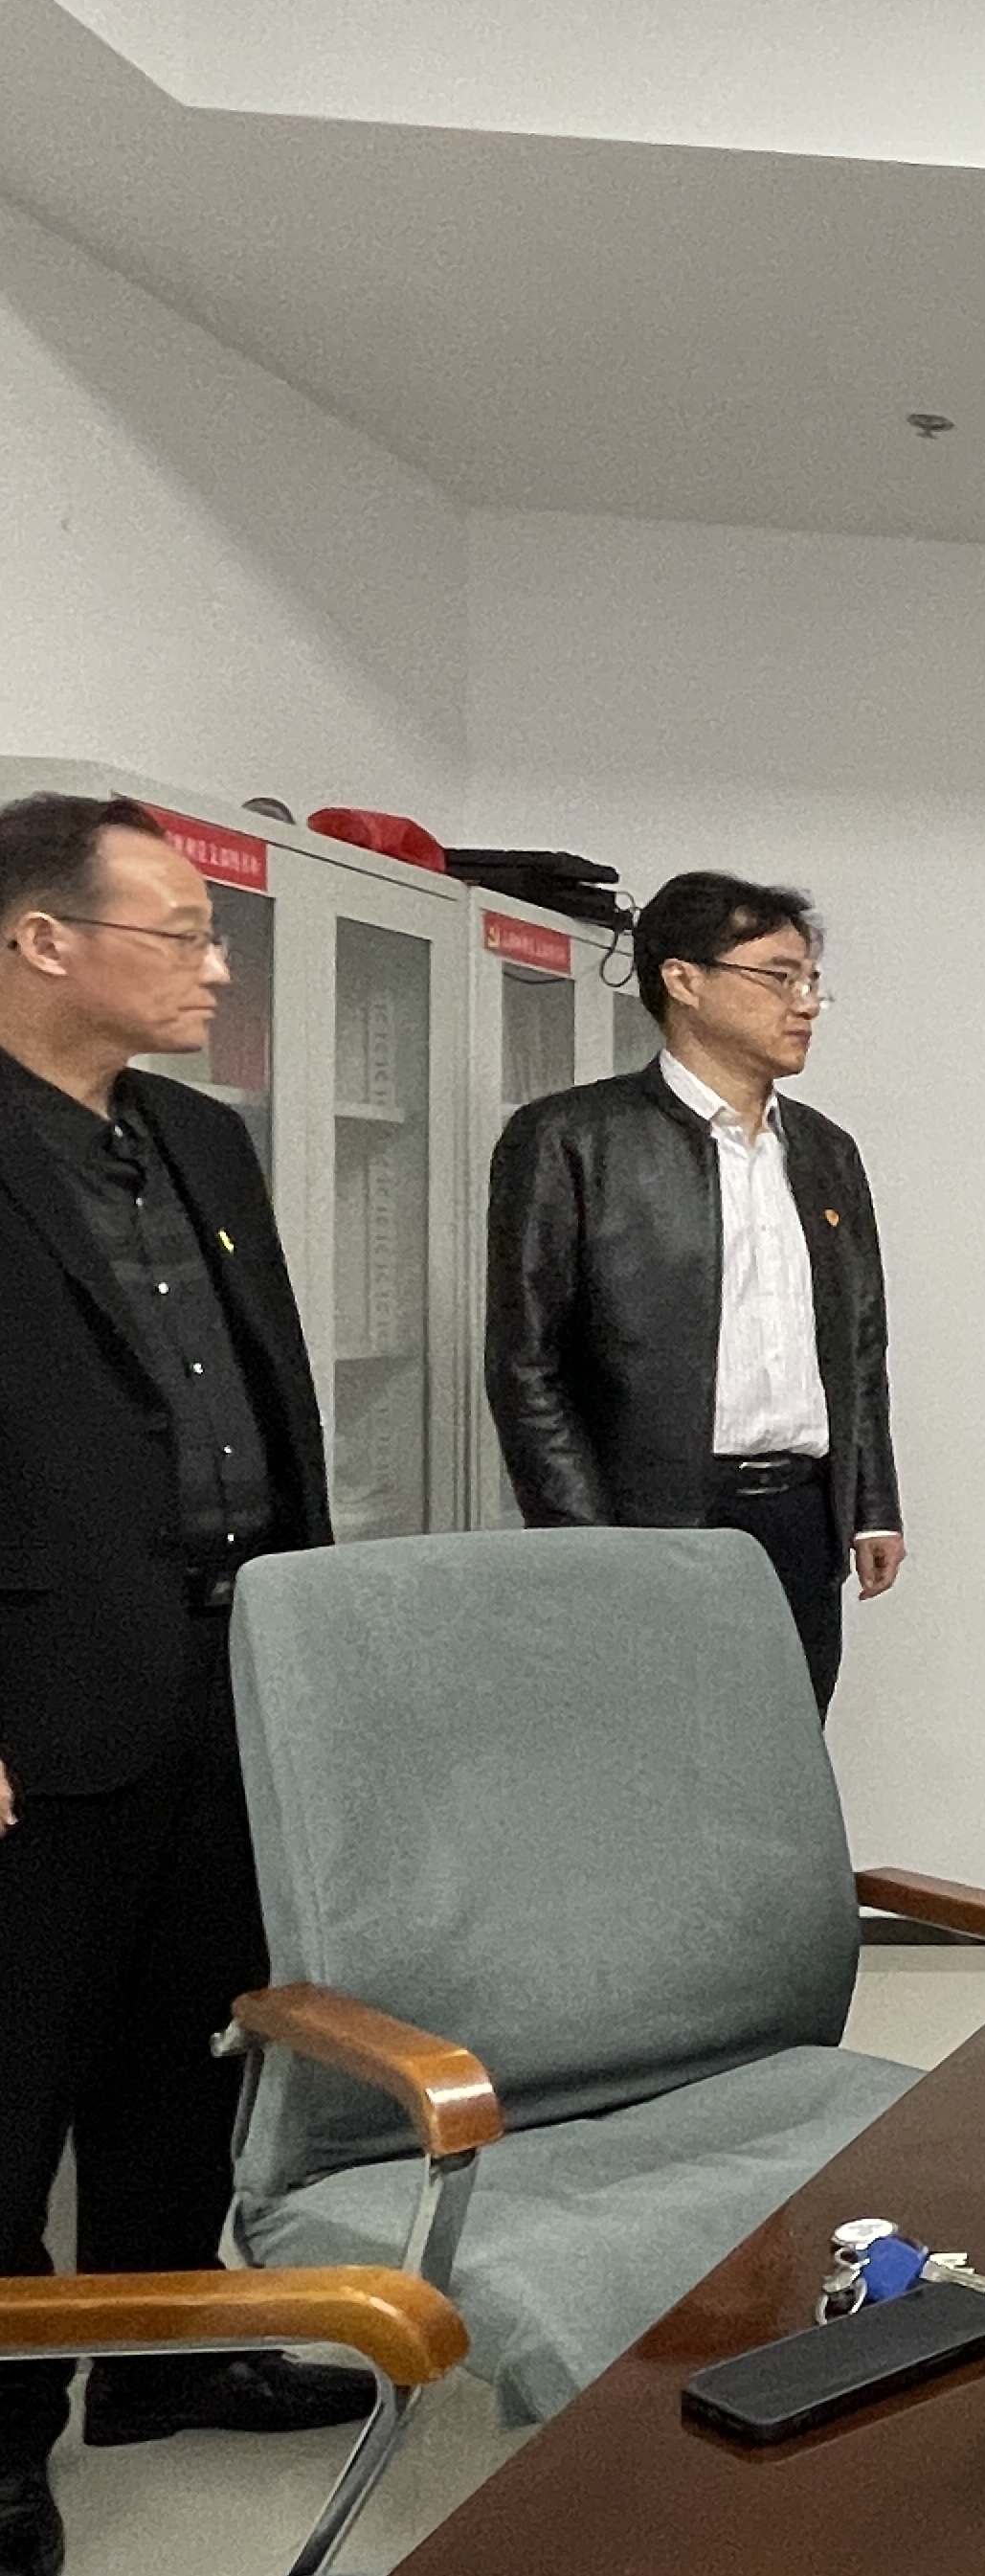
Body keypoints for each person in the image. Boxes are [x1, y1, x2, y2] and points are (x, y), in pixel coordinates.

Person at [0, 796, 369, 2576]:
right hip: (37, 1695)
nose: (218, 968)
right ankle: (0, 2451)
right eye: (182, 933)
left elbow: (269, 1398)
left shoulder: (200, 1142)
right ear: (40, 939)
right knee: (12, 2083)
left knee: (188, 2042)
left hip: (230, 1666)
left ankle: (165, 2359)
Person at [485, 872, 903, 1709]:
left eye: (811, 980)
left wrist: (872, 1505)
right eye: (778, 976)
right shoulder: (570, 1139)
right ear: (683, 979)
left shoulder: (826, 1152)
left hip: (800, 1517)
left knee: (786, 1753)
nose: (805, 1003)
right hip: (654, 1520)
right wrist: (589, 1541)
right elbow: (527, 1366)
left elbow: (859, 1343)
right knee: (656, 1752)